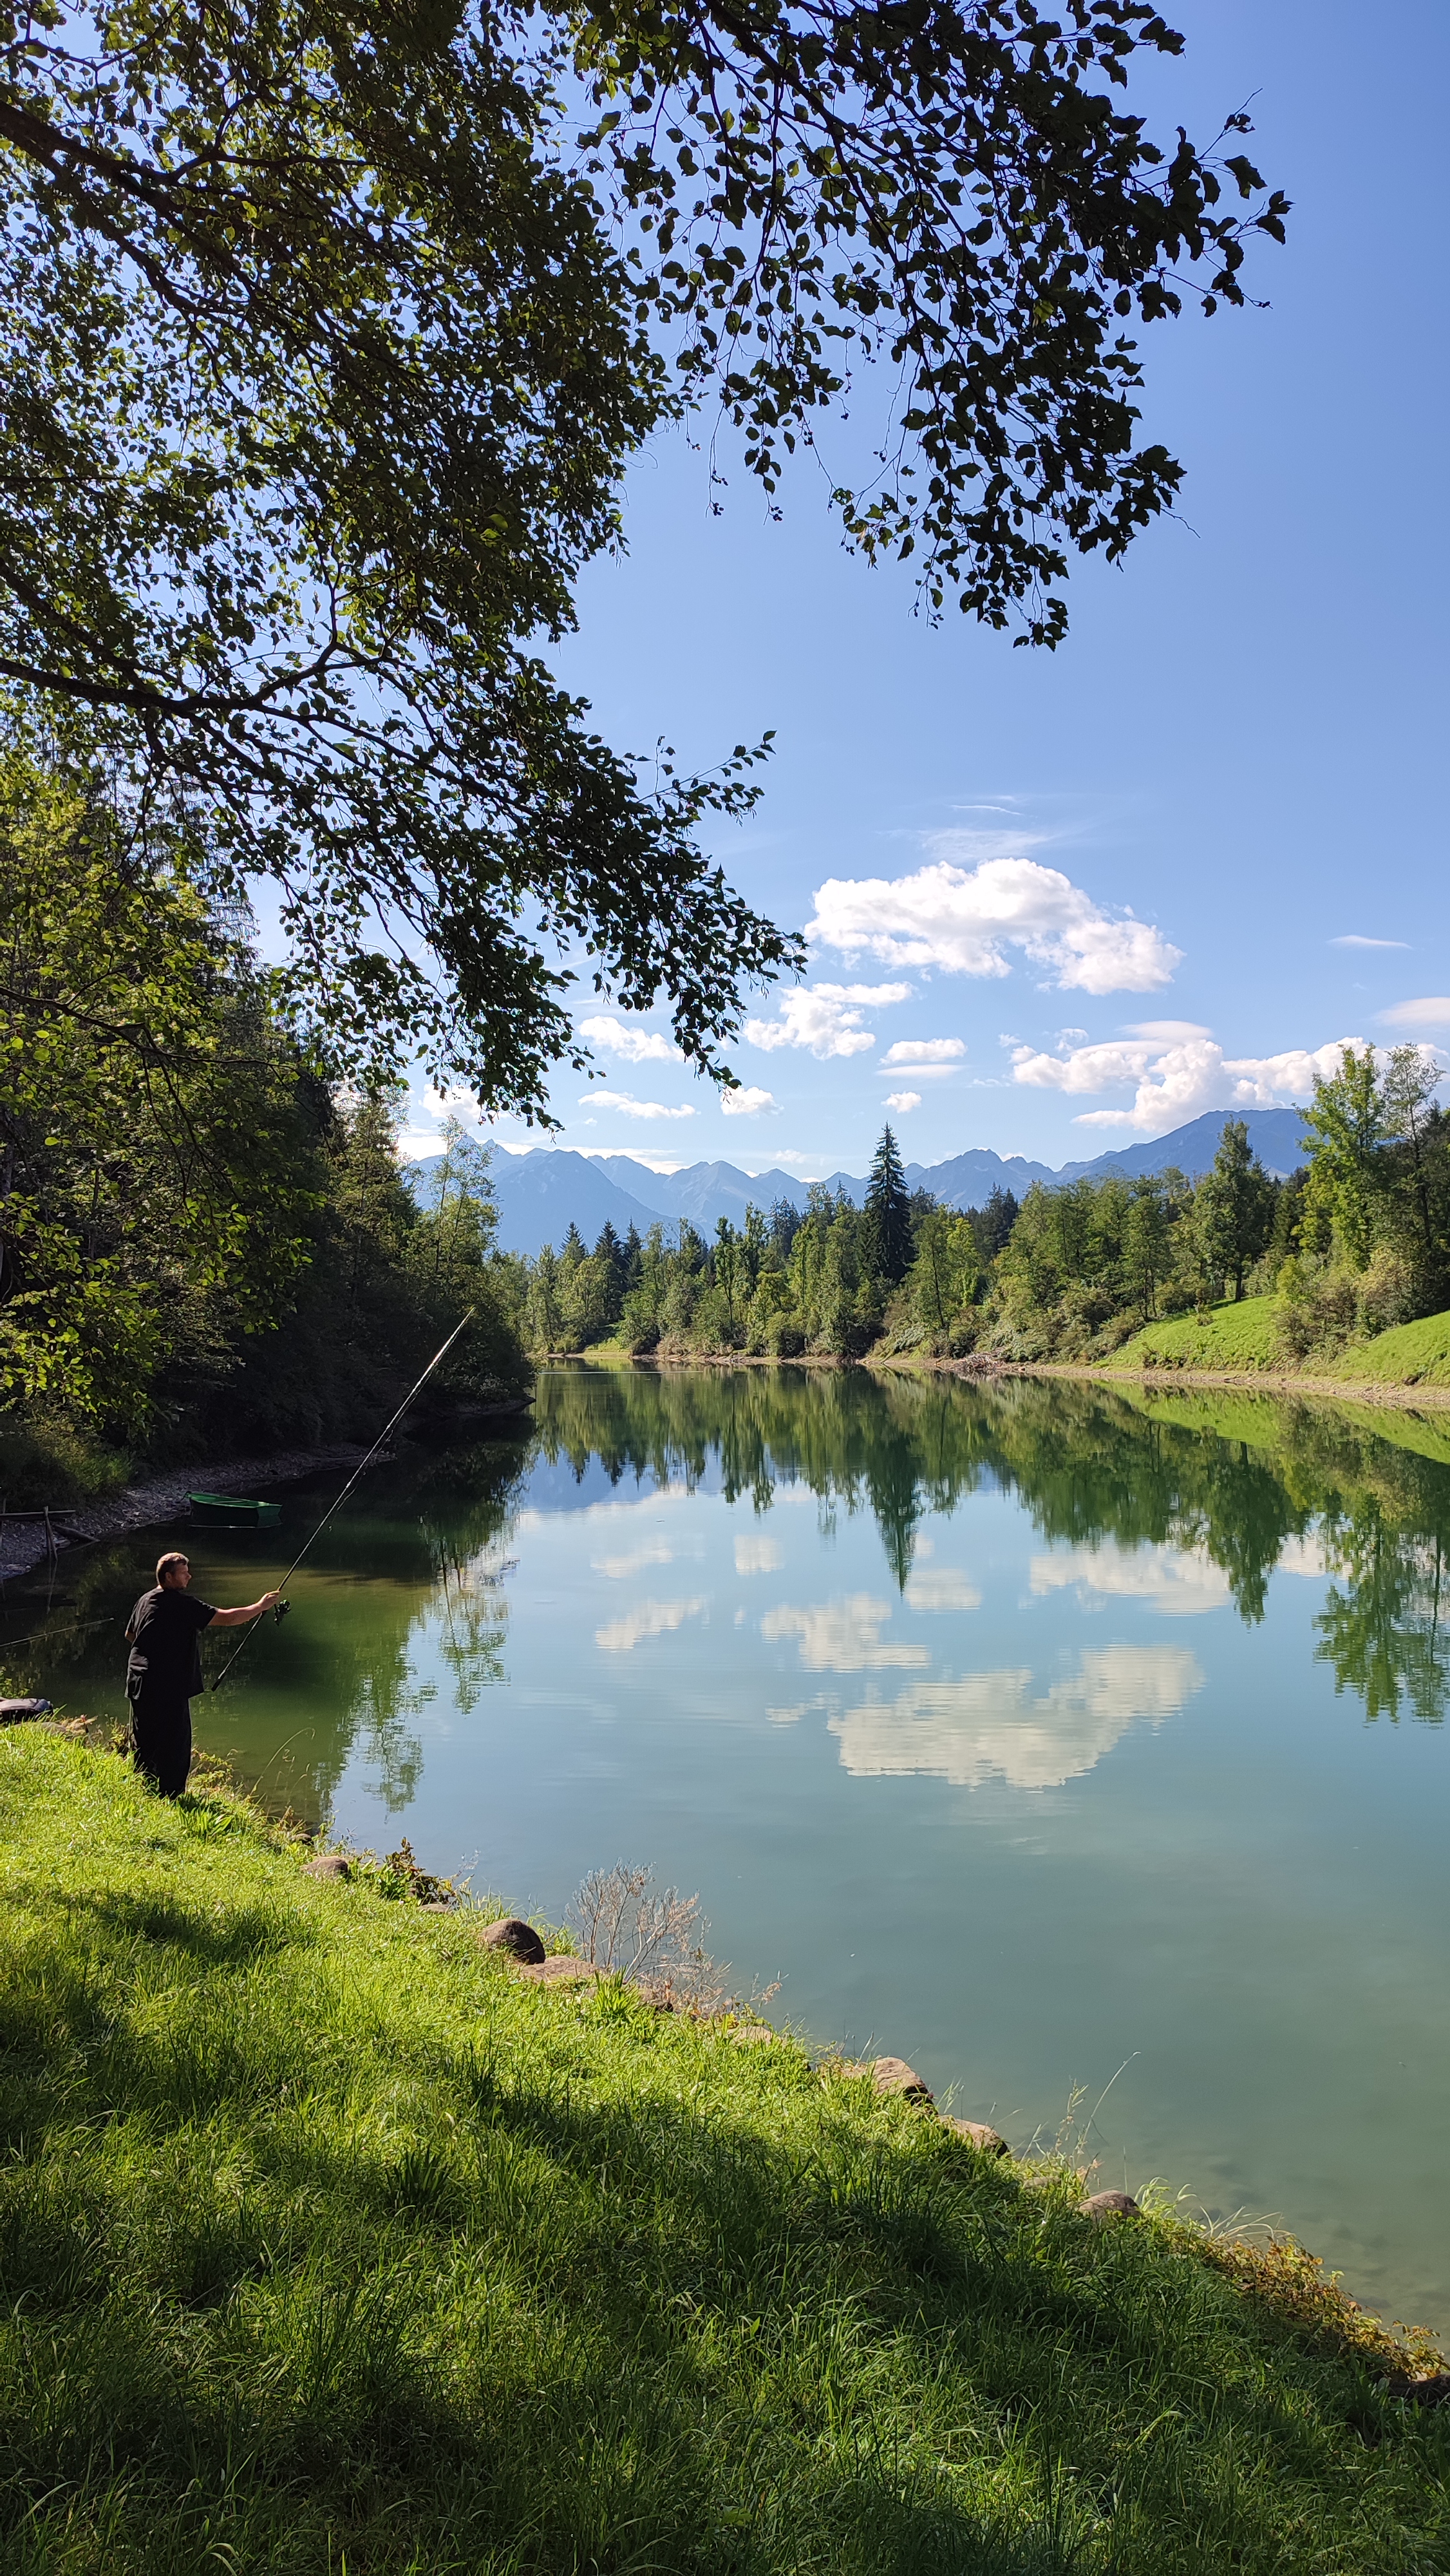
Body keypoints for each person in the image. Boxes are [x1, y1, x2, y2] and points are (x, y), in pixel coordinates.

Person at [124, 1551, 280, 1798]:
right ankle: (171, 1796)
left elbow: (130, 1636)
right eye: (184, 1573)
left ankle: (144, 1788)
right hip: (166, 1686)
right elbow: (228, 1618)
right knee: (175, 1744)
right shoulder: (181, 1605)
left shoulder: (145, 1600)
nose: (190, 1576)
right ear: (169, 1577)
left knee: (145, 1740)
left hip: (138, 1681)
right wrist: (260, 1606)